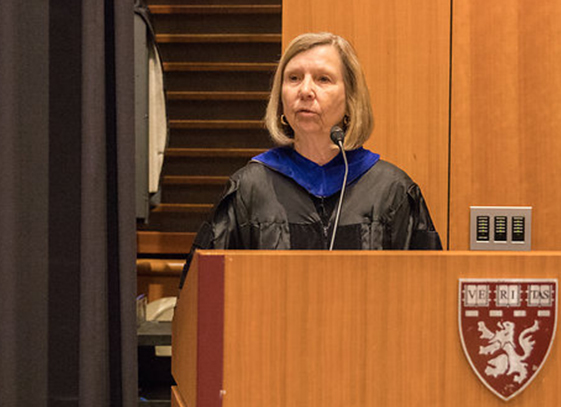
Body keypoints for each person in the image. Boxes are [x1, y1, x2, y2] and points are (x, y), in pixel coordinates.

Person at [183, 32, 441, 273]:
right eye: (294, 78)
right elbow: (204, 289)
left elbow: (425, 290)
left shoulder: (391, 192)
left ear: (350, 98)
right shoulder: (250, 189)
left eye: (323, 79)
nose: (305, 91)